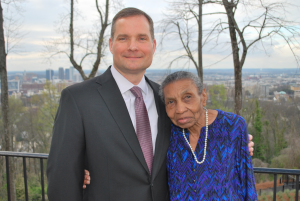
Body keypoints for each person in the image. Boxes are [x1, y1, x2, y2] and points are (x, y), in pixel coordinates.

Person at [47, 7, 254, 201]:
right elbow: (62, 182)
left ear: (153, 46)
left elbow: (194, 137)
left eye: (142, 38)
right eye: (123, 38)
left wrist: (234, 141)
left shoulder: (167, 100)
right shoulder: (78, 99)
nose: (133, 46)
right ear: (111, 44)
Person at [161, 71, 258, 200]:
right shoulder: (166, 132)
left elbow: (247, 183)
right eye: (171, 102)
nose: (180, 109)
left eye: (188, 97)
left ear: (203, 96)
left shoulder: (232, 126)